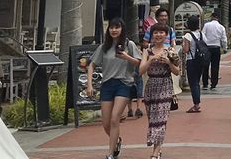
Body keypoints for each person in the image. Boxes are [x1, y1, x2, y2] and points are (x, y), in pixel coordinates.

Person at [87, 17, 141, 159]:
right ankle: (116, 140)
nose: (114, 30)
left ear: (122, 29)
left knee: (114, 118)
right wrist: (89, 84)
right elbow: (92, 65)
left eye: (117, 27)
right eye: (111, 27)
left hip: (123, 84)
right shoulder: (104, 47)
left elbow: (138, 64)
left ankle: (110, 153)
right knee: (105, 123)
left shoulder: (129, 45)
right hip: (107, 85)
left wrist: (126, 57)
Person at [139, 22, 181, 159]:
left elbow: (177, 71)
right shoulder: (147, 51)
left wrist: (169, 62)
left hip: (165, 86)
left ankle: (155, 152)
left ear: (166, 35)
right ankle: (158, 146)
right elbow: (140, 71)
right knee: (153, 119)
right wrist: (151, 60)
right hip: (151, 87)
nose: (158, 35)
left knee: (161, 120)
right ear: (152, 35)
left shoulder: (171, 51)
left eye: (161, 32)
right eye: (155, 32)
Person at [182, 15, 204, 113]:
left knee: (193, 83)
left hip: (191, 60)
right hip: (200, 60)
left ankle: (196, 104)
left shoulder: (188, 35)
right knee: (197, 82)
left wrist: (183, 47)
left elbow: (186, 50)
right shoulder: (201, 34)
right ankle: (197, 103)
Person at [201, 10, 227, 90]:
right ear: (218, 18)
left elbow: (203, 35)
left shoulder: (206, 25)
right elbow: (224, 39)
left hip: (207, 48)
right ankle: (213, 83)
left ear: (211, 17)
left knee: (205, 65)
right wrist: (225, 48)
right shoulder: (221, 27)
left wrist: (204, 44)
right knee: (215, 66)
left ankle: (205, 83)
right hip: (216, 47)